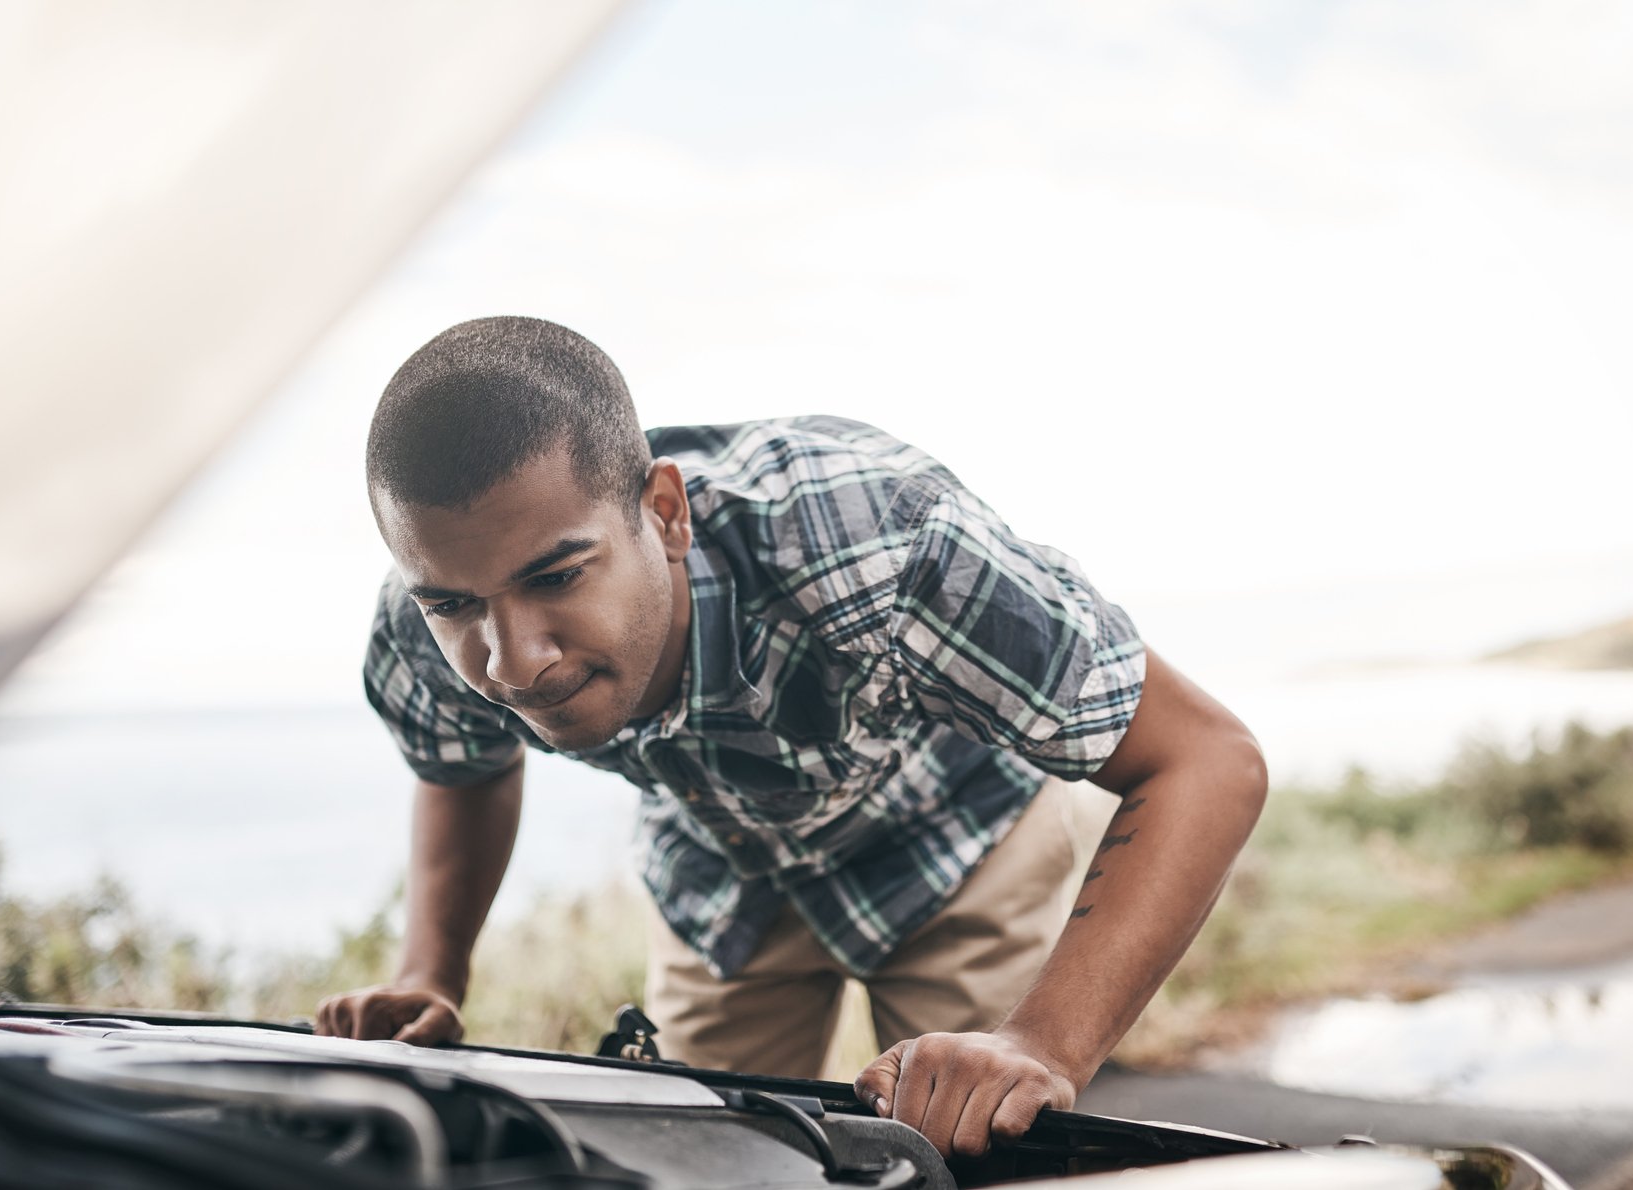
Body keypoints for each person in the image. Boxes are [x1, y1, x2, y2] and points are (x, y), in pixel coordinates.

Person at [316, 316, 1267, 1158]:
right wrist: (430, 974)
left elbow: (1205, 760)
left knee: (980, 1141)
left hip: (955, 840)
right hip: (724, 870)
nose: (515, 662)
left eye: (557, 577)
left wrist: (1041, 1044)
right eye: (454, 604)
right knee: (697, 1153)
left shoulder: (879, 545)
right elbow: (464, 767)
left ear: (665, 513)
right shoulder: (418, 624)